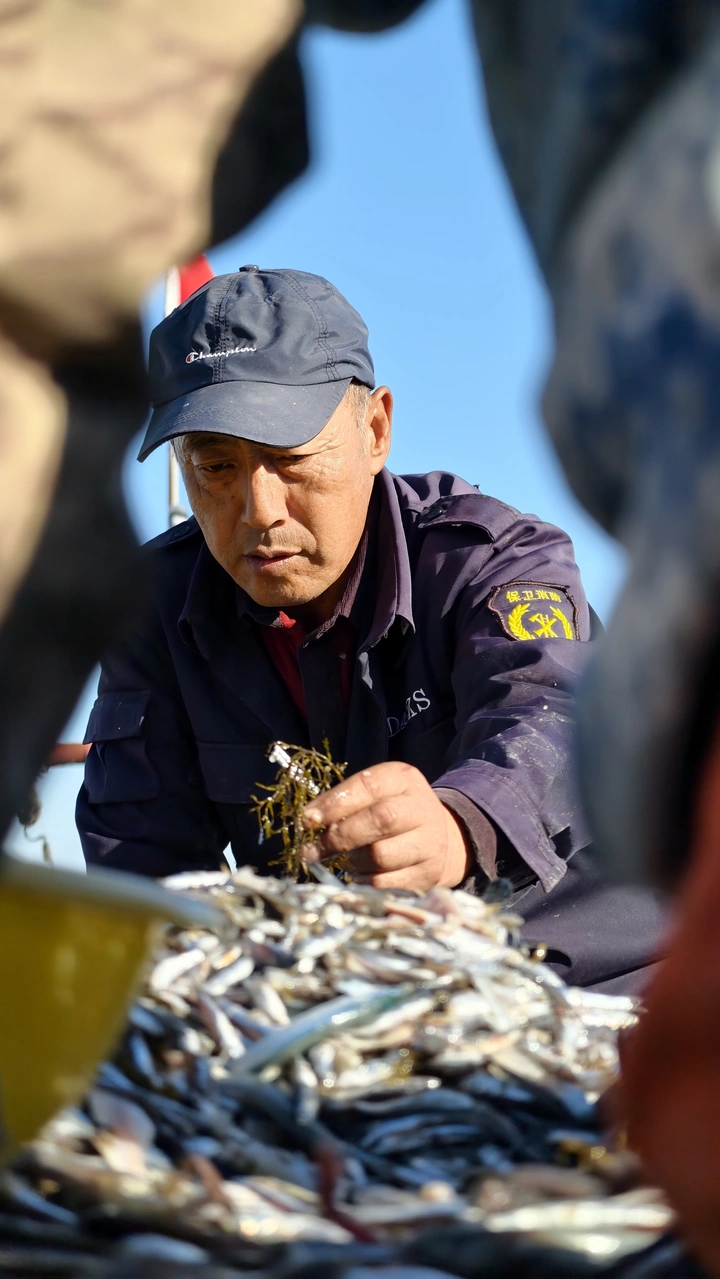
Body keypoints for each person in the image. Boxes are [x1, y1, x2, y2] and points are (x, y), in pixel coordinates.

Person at [76, 266, 665, 993]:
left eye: (290, 458)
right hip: (338, 1003)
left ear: (376, 429)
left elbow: (553, 716)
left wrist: (460, 822)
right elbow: (141, 867)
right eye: (216, 466)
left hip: (593, 986)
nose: (259, 510)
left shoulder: (494, 562)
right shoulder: (149, 611)